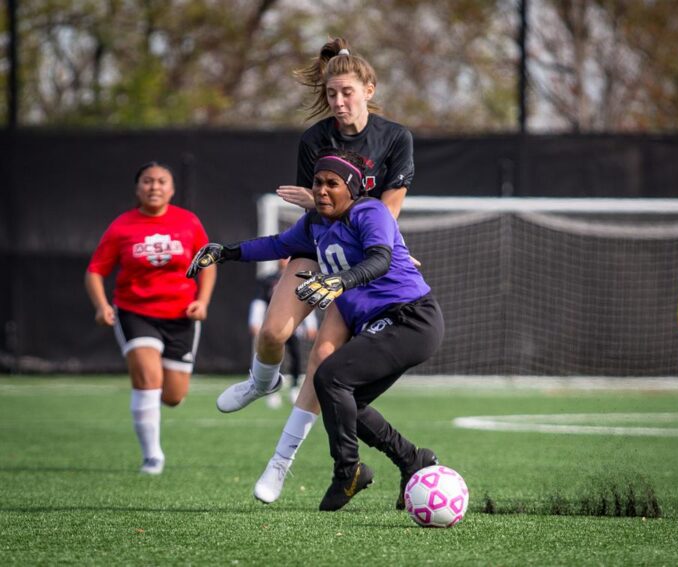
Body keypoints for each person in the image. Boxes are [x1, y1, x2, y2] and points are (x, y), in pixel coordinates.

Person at [213, 38, 429, 505]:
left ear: (369, 89)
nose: (339, 101)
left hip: (363, 252)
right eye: (332, 93)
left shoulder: (395, 138)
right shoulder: (314, 140)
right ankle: (260, 382)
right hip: (322, 244)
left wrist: (387, 247)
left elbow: (387, 209)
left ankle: (280, 465)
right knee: (272, 333)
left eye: (348, 92)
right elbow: (319, 205)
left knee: (321, 361)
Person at [187, 148, 443, 511]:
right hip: (382, 323)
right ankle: (410, 459)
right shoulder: (315, 224)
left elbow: (380, 258)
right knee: (344, 400)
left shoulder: (368, 211)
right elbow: (276, 245)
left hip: (411, 318)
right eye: (317, 183)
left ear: (352, 189)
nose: (321, 190)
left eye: (331, 184)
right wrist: (226, 252)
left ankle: (348, 471)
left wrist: (340, 280)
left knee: (329, 378)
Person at [85, 161, 216, 475]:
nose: (154, 186)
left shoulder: (188, 222)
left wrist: (202, 300)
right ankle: (152, 457)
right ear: (137, 188)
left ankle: (167, 398)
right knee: (147, 379)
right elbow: (95, 271)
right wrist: (102, 305)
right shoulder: (122, 226)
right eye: (147, 181)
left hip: (181, 314)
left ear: (171, 189)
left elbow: (208, 261)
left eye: (161, 181)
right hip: (135, 311)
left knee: (172, 396)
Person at [249, 258, 318, 408]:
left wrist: (310, 323)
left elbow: (306, 301)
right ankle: (272, 390)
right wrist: (255, 321)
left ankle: (294, 388)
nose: (283, 260)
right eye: (282, 257)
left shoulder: (301, 278)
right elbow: (259, 301)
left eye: (287, 257)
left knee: (298, 356)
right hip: (273, 324)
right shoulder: (268, 280)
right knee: (272, 357)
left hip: (293, 323)